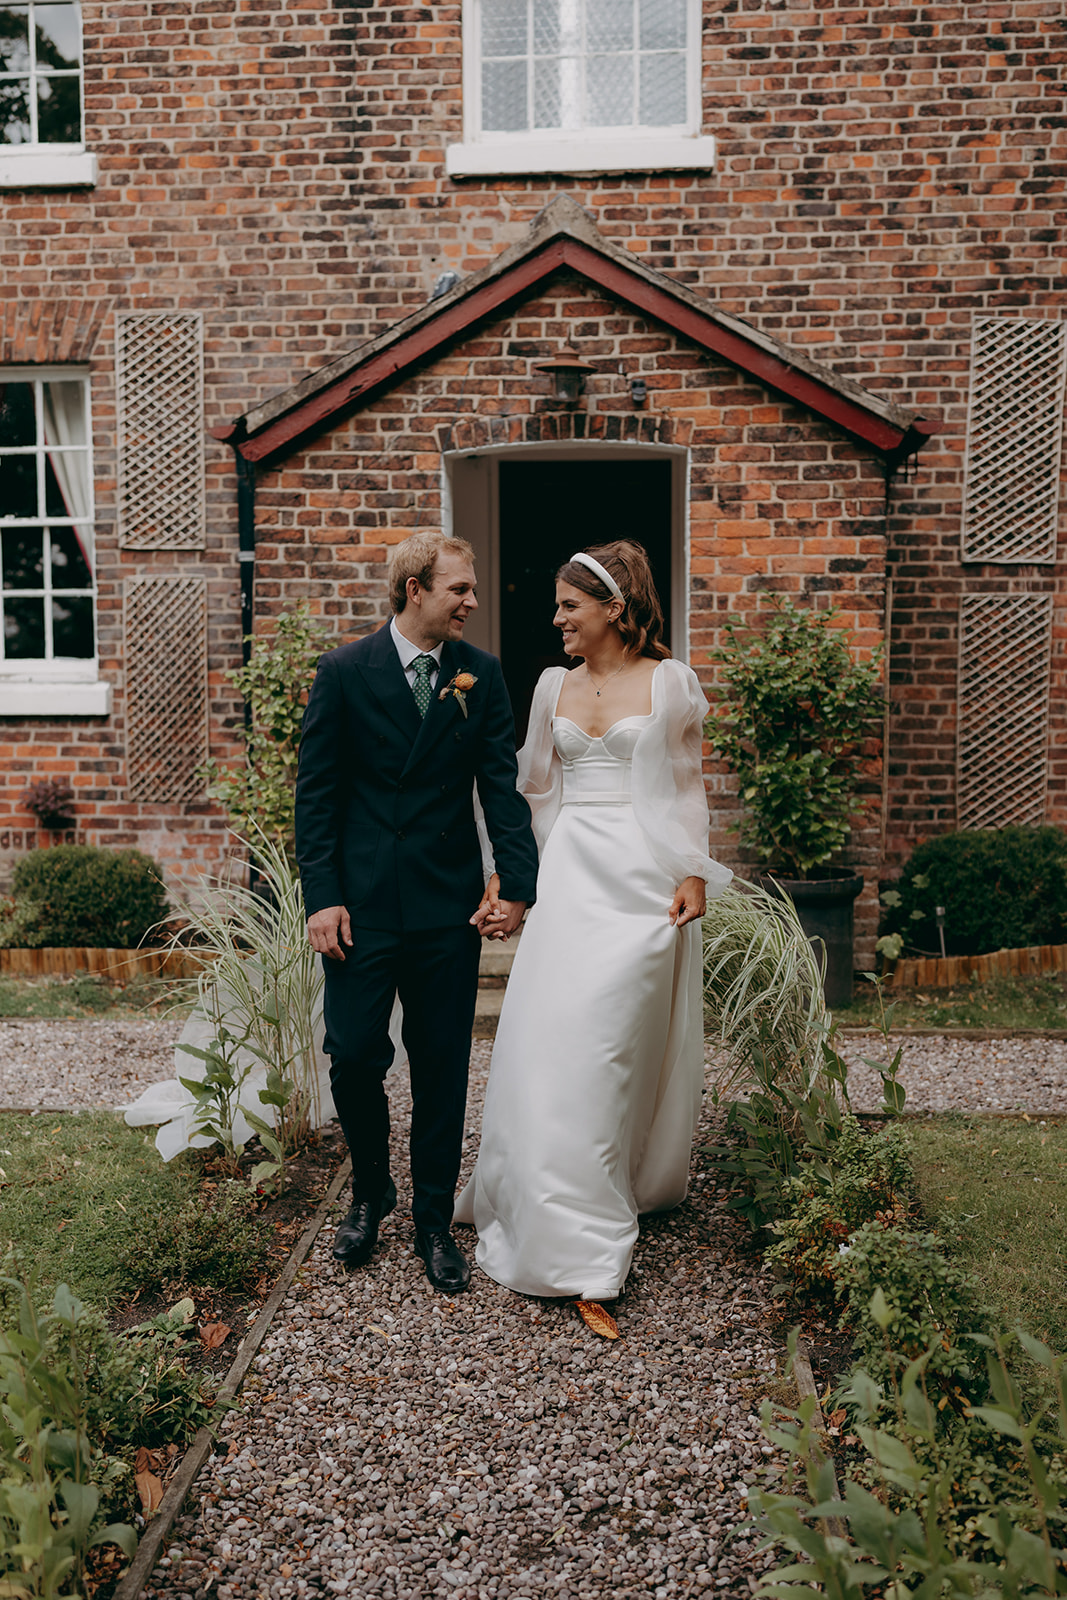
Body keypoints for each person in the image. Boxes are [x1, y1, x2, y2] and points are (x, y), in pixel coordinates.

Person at [454, 540, 732, 1328]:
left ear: (614, 608)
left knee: (608, 1050)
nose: (557, 620)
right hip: (572, 876)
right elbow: (534, 793)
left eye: (569, 606)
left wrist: (692, 875)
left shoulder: (669, 681)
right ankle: (553, 1215)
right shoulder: (551, 686)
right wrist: (511, 881)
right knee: (551, 1039)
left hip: (643, 886)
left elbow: (685, 786)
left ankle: (594, 1223)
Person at [295, 532, 539, 1293]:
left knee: (440, 1065)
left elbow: (500, 786)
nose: (472, 601)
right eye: (459, 589)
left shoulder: (481, 675)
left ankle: (433, 1219)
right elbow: (318, 796)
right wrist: (322, 896)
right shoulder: (343, 672)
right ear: (413, 590)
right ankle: (372, 1193)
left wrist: (516, 881)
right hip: (362, 906)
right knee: (356, 1053)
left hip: (443, 905)